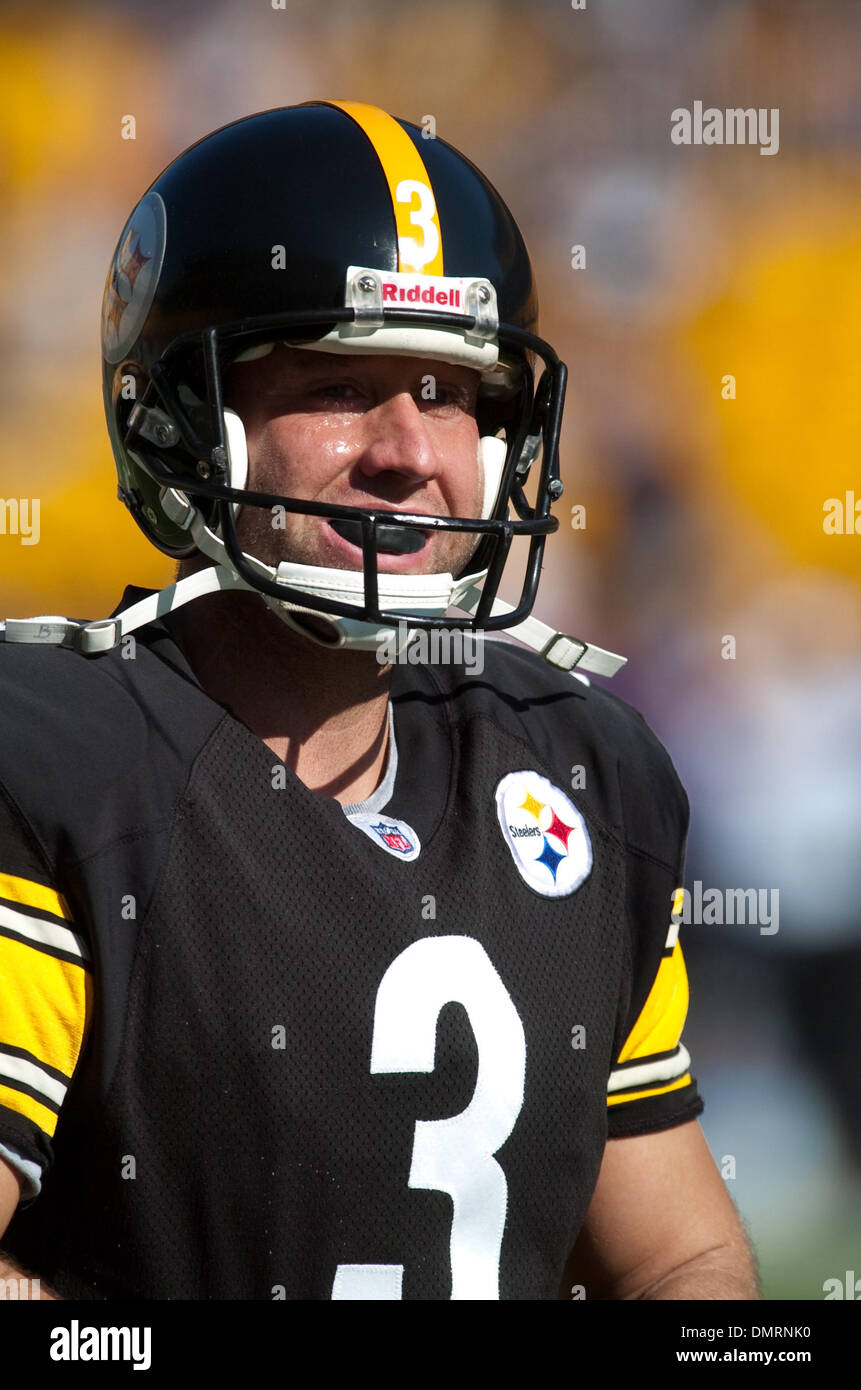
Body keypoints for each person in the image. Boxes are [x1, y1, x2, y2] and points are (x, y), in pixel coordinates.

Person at [0, 101, 759, 1301]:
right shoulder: (59, 766)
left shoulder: (581, 765)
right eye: (342, 385)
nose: (411, 448)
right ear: (190, 416)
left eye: (451, 392)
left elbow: (681, 1256)